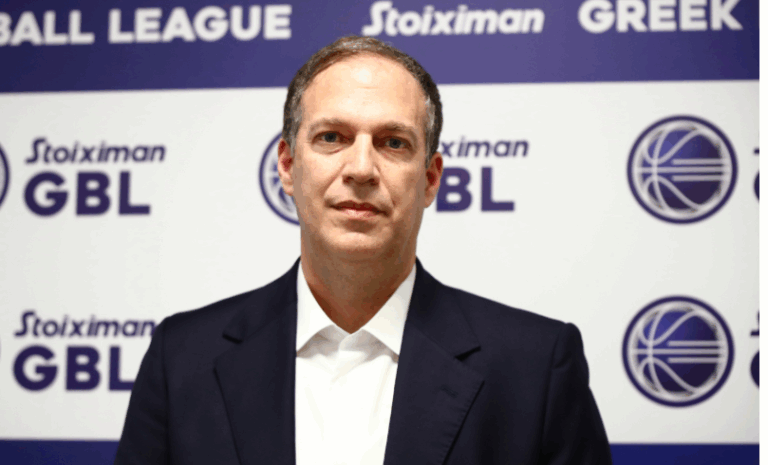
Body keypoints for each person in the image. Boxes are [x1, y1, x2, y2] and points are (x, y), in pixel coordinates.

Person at [115, 36, 612, 465]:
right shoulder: (181, 359)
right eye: (332, 137)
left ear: (430, 179)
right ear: (287, 166)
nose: (360, 169)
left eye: (393, 143)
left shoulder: (536, 367)